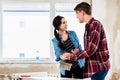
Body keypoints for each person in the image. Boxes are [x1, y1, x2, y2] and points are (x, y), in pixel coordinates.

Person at [62, 2, 110, 80]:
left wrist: (72, 56)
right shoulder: (89, 26)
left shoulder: (94, 25)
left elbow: (91, 50)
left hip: (99, 67)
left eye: (77, 13)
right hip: (95, 67)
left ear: (82, 12)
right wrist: (77, 52)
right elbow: (90, 49)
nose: (76, 16)